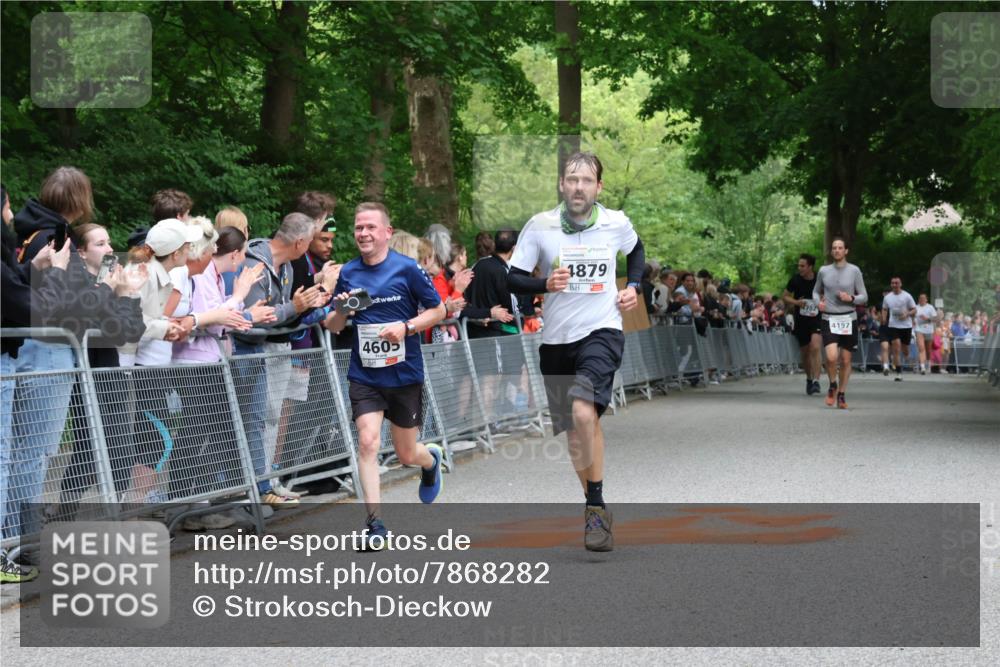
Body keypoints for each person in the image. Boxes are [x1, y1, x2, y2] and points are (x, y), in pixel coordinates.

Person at [507, 152, 645, 552]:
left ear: (598, 187)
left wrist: (633, 286)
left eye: (587, 180)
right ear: (562, 185)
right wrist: (545, 285)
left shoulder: (615, 222)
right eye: (572, 179)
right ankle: (594, 507)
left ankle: (596, 504)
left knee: (585, 411)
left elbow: (637, 252)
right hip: (556, 342)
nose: (579, 187)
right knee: (573, 433)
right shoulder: (541, 226)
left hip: (602, 330)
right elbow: (513, 277)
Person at [325, 202, 447, 550]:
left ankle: (430, 460)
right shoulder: (348, 273)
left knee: (407, 453)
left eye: (370, 228)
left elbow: (438, 309)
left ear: (387, 233)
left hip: (404, 373)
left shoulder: (408, 269)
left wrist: (406, 327)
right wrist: (339, 309)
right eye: (358, 228)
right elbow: (334, 327)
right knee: (367, 441)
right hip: (365, 374)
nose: (363, 233)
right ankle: (375, 524)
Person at [231, 213, 328, 509]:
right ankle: (249, 493)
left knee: (263, 421)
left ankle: (263, 488)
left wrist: (306, 306)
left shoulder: (284, 267)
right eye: (310, 240)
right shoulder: (255, 264)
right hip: (243, 354)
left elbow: (277, 315)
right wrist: (294, 307)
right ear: (300, 242)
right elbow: (253, 323)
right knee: (250, 424)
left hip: (261, 353)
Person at [813, 238, 868, 409]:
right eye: (834, 248)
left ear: (846, 251)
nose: (837, 250)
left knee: (845, 359)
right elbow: (815, 292)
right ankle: (832, 385)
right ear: (831, 251)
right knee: (831, 357)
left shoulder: (854, 271)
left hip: (848, 318)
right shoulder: (823, 271)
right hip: (829, 318)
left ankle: (842, 394)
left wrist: (851, 298)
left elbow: (864, 296)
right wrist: (818, 303)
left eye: (840, 248)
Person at [782, 253, 822, 395]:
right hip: (801, 319)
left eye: (802, 266)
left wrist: (822, 300)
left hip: (816, 318)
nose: (800, 268)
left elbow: (828, 294)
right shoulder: (795, 280)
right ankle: (809, 379)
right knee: (805, 353)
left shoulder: (819, 279)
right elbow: (785, 296)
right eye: (799, 265)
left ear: (810, 266)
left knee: (815, 346)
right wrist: (797, 302)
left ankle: (817, 381)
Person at [881, 277, 917, 382]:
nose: (894, 285)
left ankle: (906, 356)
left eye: (896, 283)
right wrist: (883, 317)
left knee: (905, 350)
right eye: (892, 283)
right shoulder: (888, 297)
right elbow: (884, 308)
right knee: (896, 348)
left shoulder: (907, 296)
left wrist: (907, 314)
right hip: (893, 325)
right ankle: (899, 372)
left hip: (906, 326)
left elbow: (914, 310)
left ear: (900, 284)